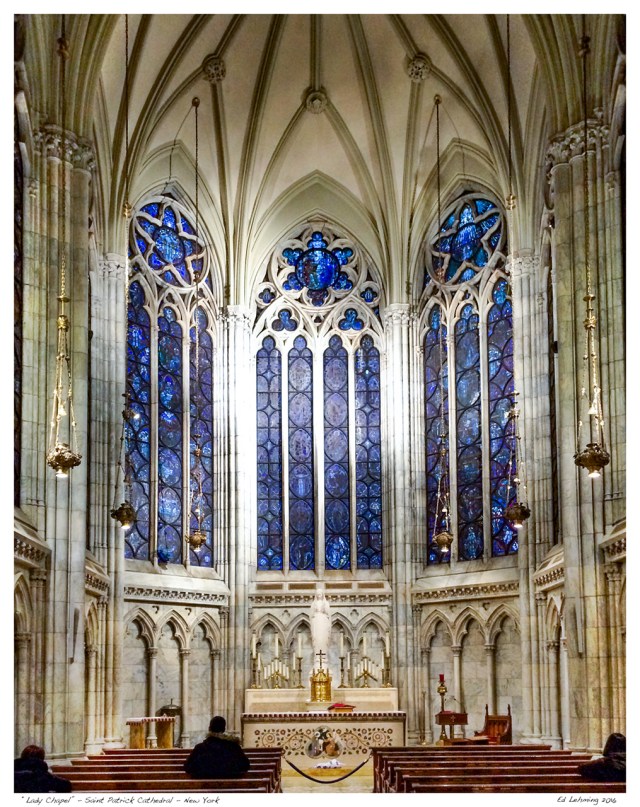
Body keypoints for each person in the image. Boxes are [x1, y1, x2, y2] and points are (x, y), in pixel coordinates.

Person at [184, 716, 250, 779]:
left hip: (205, 787)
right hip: (230, 788)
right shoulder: (234, 747)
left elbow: (187, 767)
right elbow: (246, 765)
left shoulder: (200, 748)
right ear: (224, 729)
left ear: (209, 728)